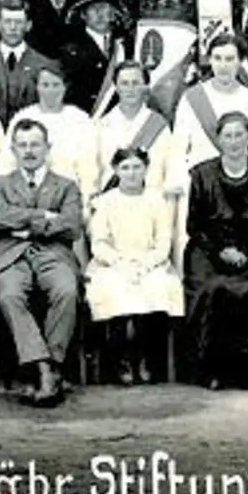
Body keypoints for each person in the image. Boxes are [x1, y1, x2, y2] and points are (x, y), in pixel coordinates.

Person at [184, 111, 248, 392]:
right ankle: (215, 369)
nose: (233, 141)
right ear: (218, 140)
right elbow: (195, 225)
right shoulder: (201, 175)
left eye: (239, 134)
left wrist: (247, 253)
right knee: (214, 289)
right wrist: (221, 251)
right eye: (227, 135)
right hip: (211, 254)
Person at [0, 119, 84, 406]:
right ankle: (44, 367)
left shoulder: (66, 186)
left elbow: (72, 225)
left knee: (67, 291)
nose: (29, 151)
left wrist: (26, 224)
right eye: (23, 145)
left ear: (47, 148)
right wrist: (45, 216)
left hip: (54, 253)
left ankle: (50, 363)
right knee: (10, 294)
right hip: (10, 255)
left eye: (35, 145)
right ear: (13, 149)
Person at [85, 147, 184, 385]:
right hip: (112, 263)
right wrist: (120, 263)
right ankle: (122, 360)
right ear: (116, 171)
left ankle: (146, 359)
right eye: (125, 168)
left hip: (149, 262)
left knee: (158, 286)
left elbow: (163, 242)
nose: (131, 173)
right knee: (114, 287)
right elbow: (99, 243)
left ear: (146, 169)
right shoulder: (105, 202)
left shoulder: (157, 201)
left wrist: (146, 263)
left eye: (137, 167)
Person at [0, 63, 101, 201]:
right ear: (37, 87)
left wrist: (85, 201)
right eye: (45, 85)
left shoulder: (80, 119)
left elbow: (89, 168)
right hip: (25, 198)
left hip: (68, 197)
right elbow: (7, 163)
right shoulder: (22, 116)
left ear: (65, 87)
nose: (50, 91)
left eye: (56, 85)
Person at [173, 34, 248, 171]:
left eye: (229, 59)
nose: (223, 65)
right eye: (217, 58)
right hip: (200, 181)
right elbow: (178, 149)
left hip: (241, 181)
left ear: (240, 61)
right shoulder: (191, 98)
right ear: (210, 60)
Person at [95, 60, 182, 195]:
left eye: (135, 83)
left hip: (151, 204)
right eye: (124, 83)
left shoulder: (159, 125)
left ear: (145, 86)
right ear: (116, 87)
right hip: (112, 205)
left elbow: (172, 168)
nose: (130, 89)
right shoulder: (101, 126)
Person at [0, 0, 55, 128]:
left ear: (28, 25)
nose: (12, 28)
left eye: (18, 22)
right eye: (7, 22)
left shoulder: (44, 66)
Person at [58, 0, 132, 114]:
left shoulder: (128, 45)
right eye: (93, 8)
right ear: (83, 15)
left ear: (113, 12)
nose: (99, 14)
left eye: (103, 7)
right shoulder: (69, 51)